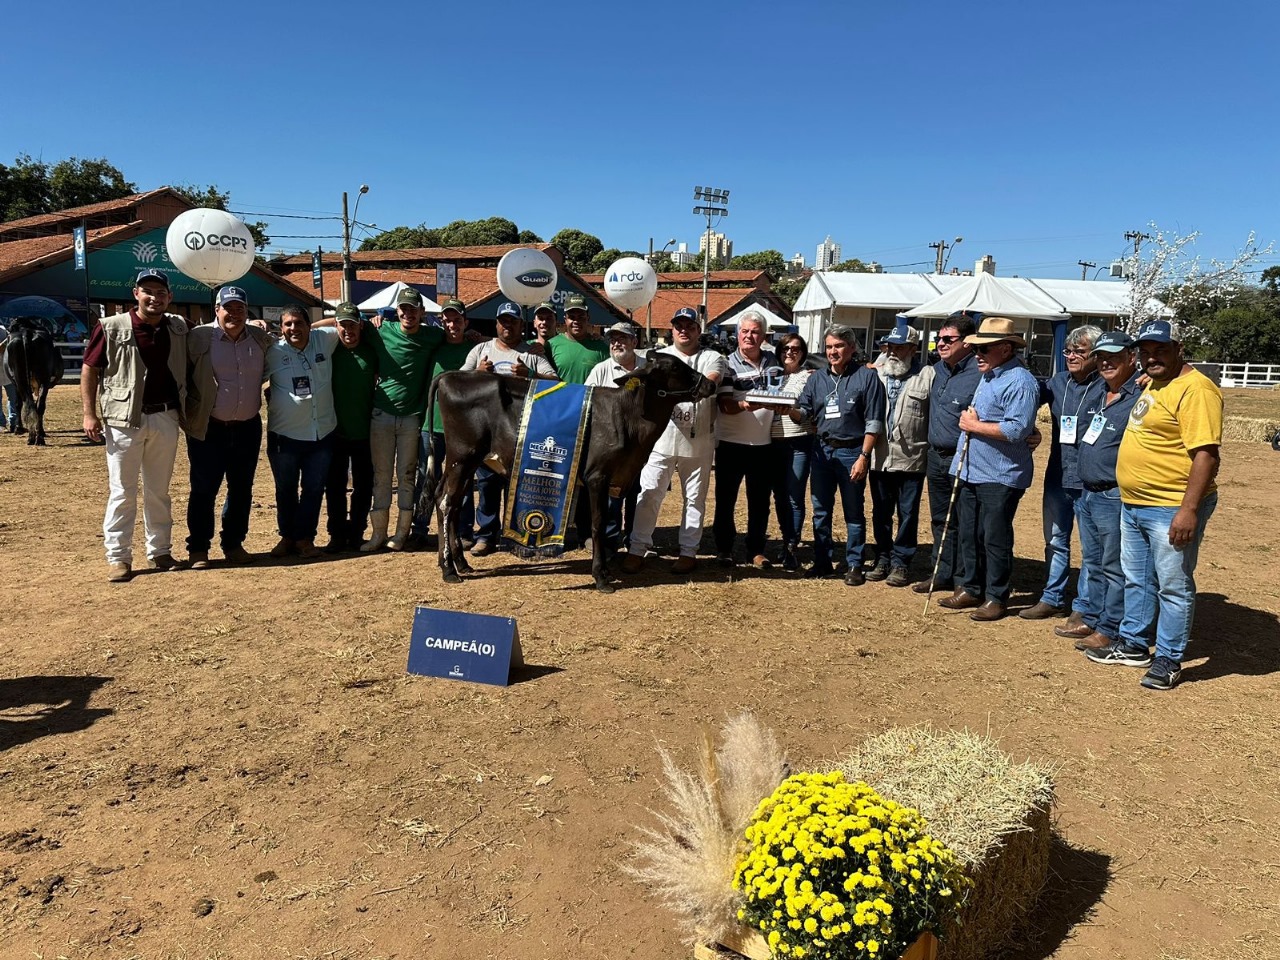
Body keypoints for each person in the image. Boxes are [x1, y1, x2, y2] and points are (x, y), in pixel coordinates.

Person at [1086, 320, 1223, 691]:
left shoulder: (1196, 390)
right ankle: (1133, 644)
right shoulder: (1157, 382)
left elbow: (1207, 455)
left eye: (1159, 350)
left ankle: (1168, 658)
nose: (1151, 358)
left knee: (1173, 586)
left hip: (1169, 505)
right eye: (1144, 353)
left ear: (1179, 348)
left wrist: (1188, 509)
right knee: (1138, 578)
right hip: (1135, 503)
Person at [81, 269, 189, 582]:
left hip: (166, 416)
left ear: (169, 297)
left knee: (159, 490)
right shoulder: (111, 327)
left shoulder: (179, 327)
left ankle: (160, 552)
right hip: (123, 420)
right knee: (122, 491)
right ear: (136, 293)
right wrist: (90, 414)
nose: (154, 297)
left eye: (160, 292)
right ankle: (119, 558)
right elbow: (90, 370)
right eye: (148, 291)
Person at [937, 317, 1039, 621]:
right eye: (977, 348)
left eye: (986, 348)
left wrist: (974, 425)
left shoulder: (1020, 380)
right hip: (970, 469)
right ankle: (971, 587)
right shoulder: (990, 375)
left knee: (994, 537)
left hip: (1001, 474)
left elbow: (1017, 429)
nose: (978, 354)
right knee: (969, 533)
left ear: (1006, 348)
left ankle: (996, 596)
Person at [622, 307, 727, 575]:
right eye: (678, 325)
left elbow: (711, 382)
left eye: (689, 326)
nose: (683, 330)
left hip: (699, 441)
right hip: (662, 440)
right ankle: (637, 549)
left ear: (698, 331)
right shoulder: (660, 357)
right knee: (648, 495)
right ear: (671, 330)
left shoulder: (712, 357)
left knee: (695, 499)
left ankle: (688, 552)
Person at [1061, 331, 1142, 652]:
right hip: (1088, 492)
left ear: (1131, 359)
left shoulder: (1139, 393)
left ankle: (1110, 627)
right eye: (1102, 356)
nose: (1107, 362)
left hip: (1113, 493)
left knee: (1114, 565)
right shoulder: (1099, 390)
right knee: (1093, 561)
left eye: (1114, 356)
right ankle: (1091, 616)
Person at [183, 285, 272, 569]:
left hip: (247, 426)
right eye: (228, 308)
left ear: (247, 311)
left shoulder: (259, 339)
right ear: (217, 310)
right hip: (209, 427)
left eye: (240, 309)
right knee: (203, 489)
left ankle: (233, 543)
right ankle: (198, 548)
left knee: (241, 488)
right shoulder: (199, 337)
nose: (234, 314)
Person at [790, 325, 886, 585]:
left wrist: (864, 456)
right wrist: (787, 410)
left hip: (853, 451)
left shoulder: (867, 378)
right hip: (822, 451)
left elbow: (874, 421)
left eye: (839, 346)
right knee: (821, 510)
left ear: (852, 348)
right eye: (829, 346)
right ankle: (822, 561)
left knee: (853, 511)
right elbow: (805, 413)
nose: (833, 351)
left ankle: (854, 563)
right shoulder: (817, 378)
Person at [462, 301, 558, 555]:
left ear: (520, 324)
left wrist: (531, 376)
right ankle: (486, 536)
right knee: (488, 484)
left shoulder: (533, 353)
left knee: (523, 486)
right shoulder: (481, 349)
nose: (508, 325)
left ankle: (519, 536)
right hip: (488, 432)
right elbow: (457, 383)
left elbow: (557, 382)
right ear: (496, 323)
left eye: (513, 321)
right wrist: (478, 373)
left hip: (524, 432)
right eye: (503, 321)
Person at [1020, 325, 1102, 621]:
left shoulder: (1107, 385)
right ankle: (1052, 597)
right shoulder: (1057, 382)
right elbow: (1023, 398)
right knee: (1055, 540)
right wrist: (1030, 429)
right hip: (1058, 475)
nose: (1071, 356)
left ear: (1096, 354)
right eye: (1068, 350)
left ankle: (1084, 607)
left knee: (1093, 550)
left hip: (1093, 481)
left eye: (1079, 351)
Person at [364, 287, 443, 552]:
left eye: (413, 309)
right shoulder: (381, 331)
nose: (408, 313)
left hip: (411, 419)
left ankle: (400, 534)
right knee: (381, 476)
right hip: (381, 415)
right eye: (404, 309)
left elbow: (458, 337)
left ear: (422, 312)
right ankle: (378, 534)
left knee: (407, 475)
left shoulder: (433, 336)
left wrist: (474, 334)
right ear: (397, 312)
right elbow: (343, 324)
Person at [912, 312, 982, 595]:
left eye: (947, 339)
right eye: (938, 339)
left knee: (966, 521)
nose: (940, 344)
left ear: (966, 342)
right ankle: (941, 572)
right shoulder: (937, 369)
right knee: (940, 519)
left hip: (964, 456)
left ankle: (965, 581)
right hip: (935, 455)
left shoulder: (980, 371)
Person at [263, 306, 338, 559]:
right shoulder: (273, 351)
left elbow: (340, 319)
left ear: (309, 324)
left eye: (299, 323)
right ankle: (287, 537)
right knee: (285, 489)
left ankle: (305, 539)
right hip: (285, 434)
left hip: (322, 432)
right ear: (281, 328)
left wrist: (314, 327)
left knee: (314, 489)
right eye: (287, 325)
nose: (293, 329)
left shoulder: (324, 338)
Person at [867, 325, 934, 587]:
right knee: (881, 511)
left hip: (912, 457)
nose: (893, 352)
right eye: (890, 347)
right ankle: (882, 557)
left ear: (913, 349)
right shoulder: (877, 375)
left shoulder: (927, 375)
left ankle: (901, 562)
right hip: (880, 456)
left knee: (908, 513)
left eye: (900, 347)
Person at [713, 312, 781, 569]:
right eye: (745, 331)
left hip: (763, 445)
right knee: (726, 499)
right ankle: (724, 549)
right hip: (731, 444)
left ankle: (755, 550)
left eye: (755, 332)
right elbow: (724, 404)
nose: (749, 336)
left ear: (763, 336)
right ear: (737, 334)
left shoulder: (774, 362)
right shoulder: (727, 364)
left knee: (760, 501)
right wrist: (744, 404)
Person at [410, 298, 476, 549]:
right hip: (432, 426)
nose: (452, 325)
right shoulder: (434, 346)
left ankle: (465, 529)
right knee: (426, 477)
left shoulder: (474, 350)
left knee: (464, 479)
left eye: (457, 320)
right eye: (447, 320)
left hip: (463, 431)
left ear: (465, 322)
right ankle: (420, 529)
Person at [584, 321, 648, 551]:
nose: (616, 343)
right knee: (612, 498)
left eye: (622, 338)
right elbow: (586, 404)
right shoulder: (601, 370)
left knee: (639, 496)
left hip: (642, 447)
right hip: (610, 449)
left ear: (634, 341)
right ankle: (609, 545)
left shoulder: (648, 368)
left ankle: (636, 543)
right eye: (613, 339)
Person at [323, 302, 379, 553]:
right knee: (334, 487)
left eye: (353, 325)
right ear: (336, 326)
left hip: (365, 432)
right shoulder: (330, 350)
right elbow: (311, 330)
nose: (348, 330)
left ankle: (356, 532)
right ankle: (336, 534)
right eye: (343, 325)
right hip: (334, 432)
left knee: (363, 487)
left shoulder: (372, 351)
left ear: (361, 326)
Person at [768, 333, 815, 572]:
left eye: (795, 349)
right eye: (785, 348)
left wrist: (792, 411)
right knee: (779, 495)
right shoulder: (772, 375)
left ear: (803, 352)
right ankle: (785, 539)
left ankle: (792, 545)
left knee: (795, 496)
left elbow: (809, 410)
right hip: (773, 441)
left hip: (798, 441)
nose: (790, 352)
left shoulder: (809, 377)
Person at [547, 293, 608, 384]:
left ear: (588, 318)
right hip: (560, 398)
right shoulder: (550, 345)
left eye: (581, 317)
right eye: (572, 317)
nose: (576, 321)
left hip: (589, 398)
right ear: (565, 320)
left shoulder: (601, 347)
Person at [0, 322, 22, 433]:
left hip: (7, 370)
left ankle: (13, 422)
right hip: (7, 370)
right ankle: (3, 423)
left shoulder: (6, 332)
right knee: (12, 398)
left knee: (13, 398)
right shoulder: (6, 333)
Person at [528, 300, 559, 372]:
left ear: (556, 322)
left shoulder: (564, 346)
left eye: (549, 318)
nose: (544, 322)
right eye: (540, 318)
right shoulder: (528, 347)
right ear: (534, 323)